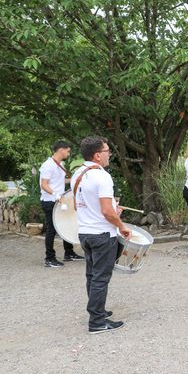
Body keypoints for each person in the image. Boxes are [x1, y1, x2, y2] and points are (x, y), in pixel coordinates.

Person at [71, 136, 131, 334]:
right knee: (101, 278)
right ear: (98, 155)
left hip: (85, 232)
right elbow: (106, 212)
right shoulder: (102, 176)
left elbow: (80, 205)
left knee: (92, 275)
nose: (109, 155)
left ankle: (98, 312)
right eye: (107, 151)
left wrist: (114, 208)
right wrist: (121, 225)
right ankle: (97, 322)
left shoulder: (78, 174)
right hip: (102, 234)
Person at [39, 140, 83, 267]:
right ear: (61, 150)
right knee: (51, 230)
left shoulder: (60, 164)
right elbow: (44, 184)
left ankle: (69, 253)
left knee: (66, 225)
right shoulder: (48, 165)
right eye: (68, 151)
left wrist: (74, 180)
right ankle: (49, 258)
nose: (68, 153)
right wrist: (56, 194)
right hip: (50, 201)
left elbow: (60, 181)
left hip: (59, 200)